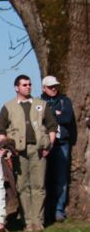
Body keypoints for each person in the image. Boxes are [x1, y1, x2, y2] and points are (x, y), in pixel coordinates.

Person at [0, 75, 57, 232]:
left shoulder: (41, 104)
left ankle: (38, 221)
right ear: (17, 87)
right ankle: (28, 221)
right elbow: (0, 129)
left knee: (39, 186)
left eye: (29, 84)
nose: (28, 87)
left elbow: (51, 126)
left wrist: (49, 144)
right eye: (24, 85)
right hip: (19, 152)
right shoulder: (8, 106)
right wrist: (8, 146)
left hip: (39, 150)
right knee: (22, 186)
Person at [41, 75, 76, 222]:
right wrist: (56, 114)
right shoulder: (39, 102)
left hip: (62, 143)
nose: (54, 89)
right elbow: (40, 119)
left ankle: (59, 210)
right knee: (45, 177)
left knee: (61, 177)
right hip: (46, 143)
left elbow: (67, 118)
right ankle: (46, 210)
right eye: (50, 87)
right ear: (44, 88)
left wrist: (51, 115)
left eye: (55, 86)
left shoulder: (64, 100)